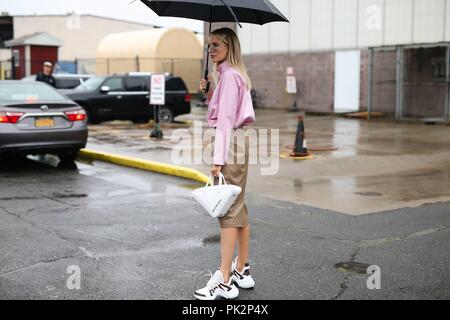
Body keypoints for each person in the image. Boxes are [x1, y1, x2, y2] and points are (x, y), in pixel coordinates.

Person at [194, 27, 256, 300]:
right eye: (209, 46)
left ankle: (224, 280)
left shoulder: (230, 77)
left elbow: (226, 121)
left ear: (229, 46)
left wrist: (218, 159)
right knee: (237, 207)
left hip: (230, 143)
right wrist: (209, 94)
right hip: (238, 142)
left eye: (216, 45)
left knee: (227, 211)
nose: (211, 50)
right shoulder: (229, 76)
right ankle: (242, 268)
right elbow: (223, 110)